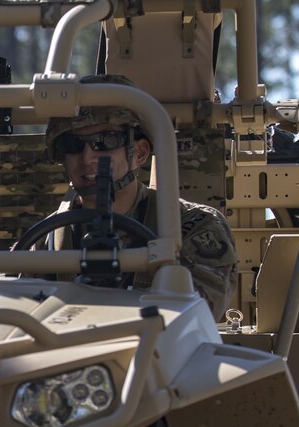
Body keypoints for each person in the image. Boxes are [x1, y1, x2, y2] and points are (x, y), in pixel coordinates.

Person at [42, 75, 237, 318]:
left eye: (105, 141)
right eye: (73, 144)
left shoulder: (191, 226)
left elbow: (195, 313)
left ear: (140, 153)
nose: (87, 157)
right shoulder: (45, 239)